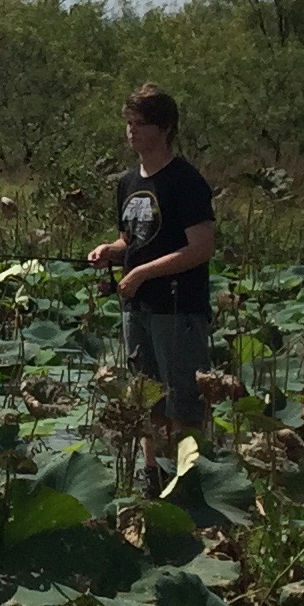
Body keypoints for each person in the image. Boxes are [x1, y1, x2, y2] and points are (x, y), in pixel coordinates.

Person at [86, 83, 216, 453]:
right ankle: (153, 478)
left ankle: (191, 477)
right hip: (136, 308)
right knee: (146, 398)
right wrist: (108, 251)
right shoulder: (128, 182)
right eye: (129, 122)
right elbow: (132, 239)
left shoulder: (185, 181)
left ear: (165, 129)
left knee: (184, 400)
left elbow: (201, 248)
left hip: (177, 309)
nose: (132, 131)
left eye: (141, 123)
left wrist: (143, 273)